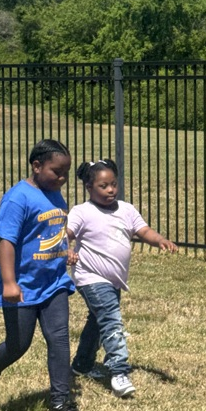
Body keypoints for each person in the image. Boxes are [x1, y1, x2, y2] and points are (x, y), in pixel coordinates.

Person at [0, 139, 85, 411]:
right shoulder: (18, 198)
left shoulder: (55, 194)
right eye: (57, 171)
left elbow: (53, 230)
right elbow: (7, 240)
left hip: (54, 283)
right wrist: (9, 282)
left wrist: (65, 249)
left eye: (66, 173)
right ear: (36, 166)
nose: (62, 178)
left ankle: (60, 403)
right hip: (23, 286)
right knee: (18, 344)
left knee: (58, 340)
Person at [68, 158, 177, 398]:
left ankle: (81, 365)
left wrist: (159, 240)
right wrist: (67, 250)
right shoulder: (82, 212)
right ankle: (118, 371)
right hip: (90, 277)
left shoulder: (126, 209)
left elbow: (143, 230)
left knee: (98, 321)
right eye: (103, 186)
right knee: (111, 321)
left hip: (113, 280)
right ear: (89, 187)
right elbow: (66, 233)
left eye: (114, 185)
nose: (111, 190)